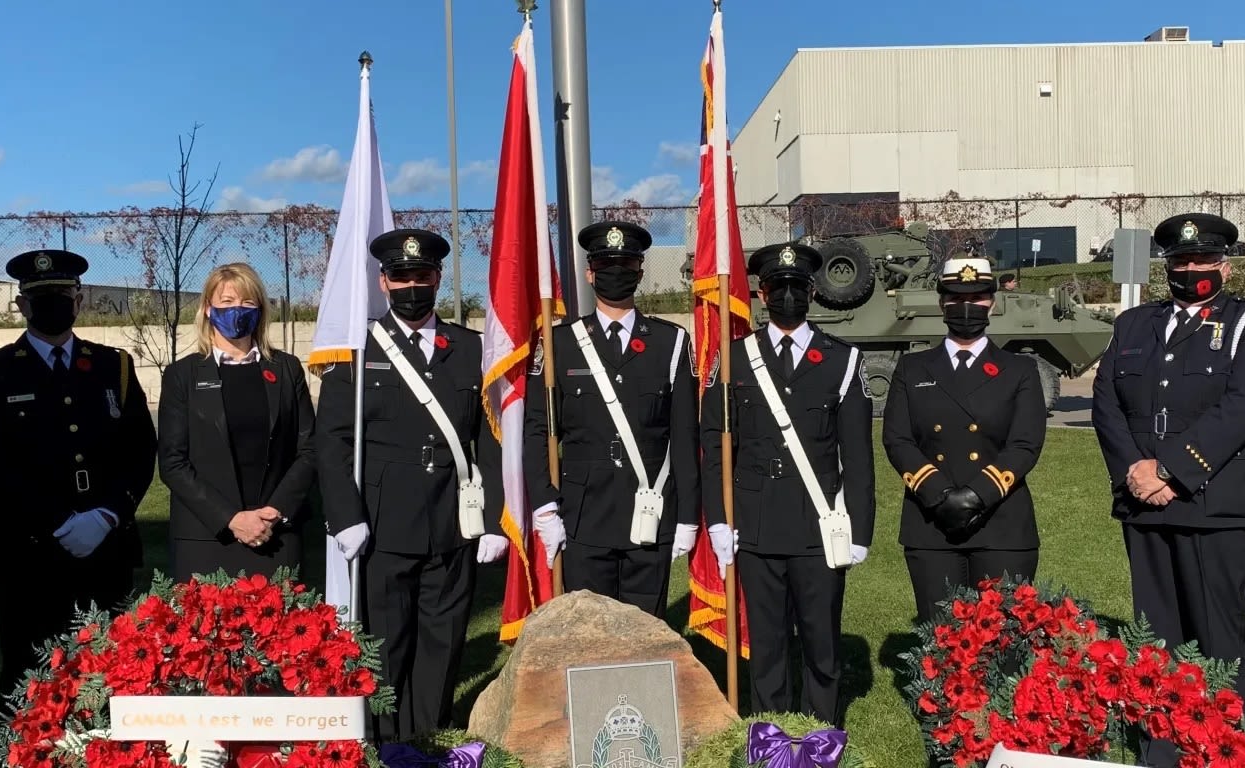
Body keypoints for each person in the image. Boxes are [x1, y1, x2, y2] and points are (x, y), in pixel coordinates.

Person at [1090, 212, 1245, 745]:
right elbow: (1106, 401)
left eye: (1202, 259)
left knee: (1223, 631)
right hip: (1144, 501)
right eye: (1180, 260)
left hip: (1216, 503)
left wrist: (1173, 470)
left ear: (1224, 265)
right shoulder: (1133, 325)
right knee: (1156, 634)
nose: (1190, 268)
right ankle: (1163, 746)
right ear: (1167, 265)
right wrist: (1134, 470)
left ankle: (1231, 745)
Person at [316, 227, 507, 741]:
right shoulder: (356, 350)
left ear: (438, 279)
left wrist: (493, 521)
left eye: (421, 276)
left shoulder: (470, 350)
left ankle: (428, 732)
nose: (412, 286)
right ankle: (383, 737)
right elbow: (332, 441)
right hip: (381, 524)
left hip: (451, 520)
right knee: (387, 639)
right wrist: (345, 516)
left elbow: (489, 440)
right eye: (401, 277)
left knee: (443, 636)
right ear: (383, 281)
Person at [0, 249, 157, 710]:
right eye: (40, 298)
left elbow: (139, 450)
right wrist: (58, 520)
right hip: (28, 552)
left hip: (106, 548)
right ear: (22, 306)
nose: (53, 305)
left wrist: (108, 514)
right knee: (28, 673)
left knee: (112, 670)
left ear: (79, 300)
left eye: (62, 296)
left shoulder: (115, 366)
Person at [701, 242, 874, 726]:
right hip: (754, 527)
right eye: (779, 288)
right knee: (768, 641)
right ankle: (771, 732)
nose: (789, 296)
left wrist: (859, 530)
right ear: (762, 293)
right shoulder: (735, 359)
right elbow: (715, 446)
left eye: (798, 287)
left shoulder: (842, 361)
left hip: (819, 527)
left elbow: (857, 457)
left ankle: (821, 732)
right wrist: (718, 519)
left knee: (821, 640)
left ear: (812, 292)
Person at [526, 221, 700, 617]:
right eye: (605, 265)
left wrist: (687, 516)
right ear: (590, 274)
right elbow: (538, 431)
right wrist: (544, 507)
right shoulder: (560, 345)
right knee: (588, 639)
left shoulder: (672, 343)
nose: (615, 274)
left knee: (646, 637)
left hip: (650, 513)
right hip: (583, 515)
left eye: (625, 265)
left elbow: (685, 437)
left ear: (640, 272)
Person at [882, 252, 1047, 621]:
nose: (966, 306)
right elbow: (897, 439)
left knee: (1002, 640)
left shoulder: (1019, 370)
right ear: (941, 303)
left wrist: (976, 495)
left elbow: (1025, 443)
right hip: (931, 523)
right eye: (956, 298)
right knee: (940, 642)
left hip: (1001, 522)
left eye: (976, 298)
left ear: (992, 302)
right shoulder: (913, 368)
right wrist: (939, 495)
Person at [157, 263, 317, 581]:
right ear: (207, 308)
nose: (237, 311)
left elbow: (309, 448)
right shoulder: (182, 375)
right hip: (206, 538)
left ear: (260, 310)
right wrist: (231, 519)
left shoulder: (286, 369)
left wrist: (275, 511)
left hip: (275, 535)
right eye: (227, 302)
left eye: (247, 303)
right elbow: (173, 462)